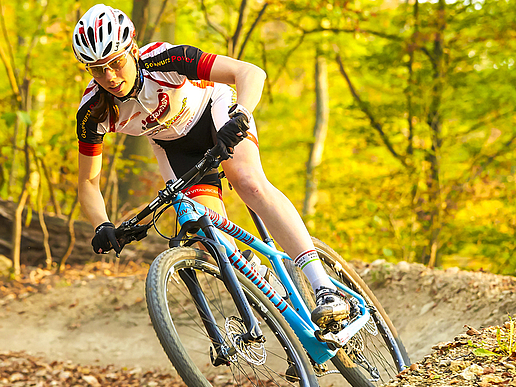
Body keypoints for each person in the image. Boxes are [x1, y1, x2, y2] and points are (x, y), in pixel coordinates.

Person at [72, 4, 348, 329]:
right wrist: (102, 224)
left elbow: (250, 72)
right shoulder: (94, 111)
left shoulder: (166, 59)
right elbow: (88, 183)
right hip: (174, 147)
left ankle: (325, 288)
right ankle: (286, 313)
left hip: (215, 113)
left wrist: (241, 114)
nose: (110, 77)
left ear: (132, 49)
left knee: (247, 181)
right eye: (97, 69)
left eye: (116, 63)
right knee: (210, 237)